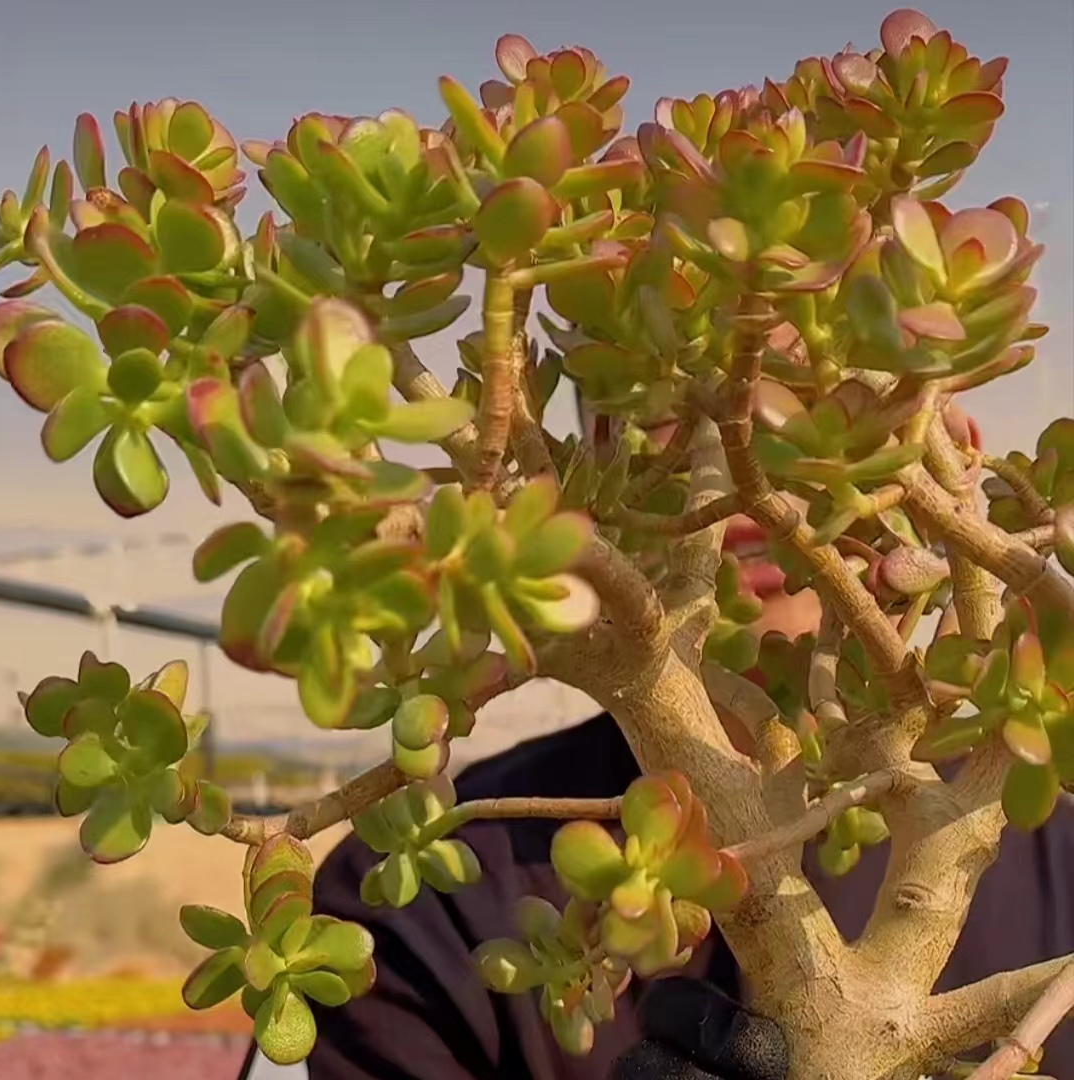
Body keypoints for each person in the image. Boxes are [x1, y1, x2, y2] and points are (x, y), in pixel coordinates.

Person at [253, 399, 1074, 1080]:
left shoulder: (1053, 842)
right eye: (679, 389)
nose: (736, 448)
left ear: (943, 454)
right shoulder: (421, 909)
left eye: (816, 387)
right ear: (580, 466)